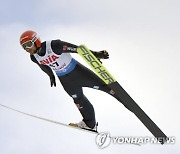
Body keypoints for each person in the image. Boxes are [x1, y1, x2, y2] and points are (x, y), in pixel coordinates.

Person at [20, 30, 116, 131]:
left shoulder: (54, 45)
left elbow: (77, 49)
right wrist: (51, 76)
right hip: (66, 80)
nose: (27, 49)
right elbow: (43, 66)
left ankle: (122, 97)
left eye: (28, 44)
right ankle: (90, 124)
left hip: (77, 72)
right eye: (24, 47)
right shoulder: (34, 57)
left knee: (105, 87)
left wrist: (95, 54)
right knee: (78, 100)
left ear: (36, 41)